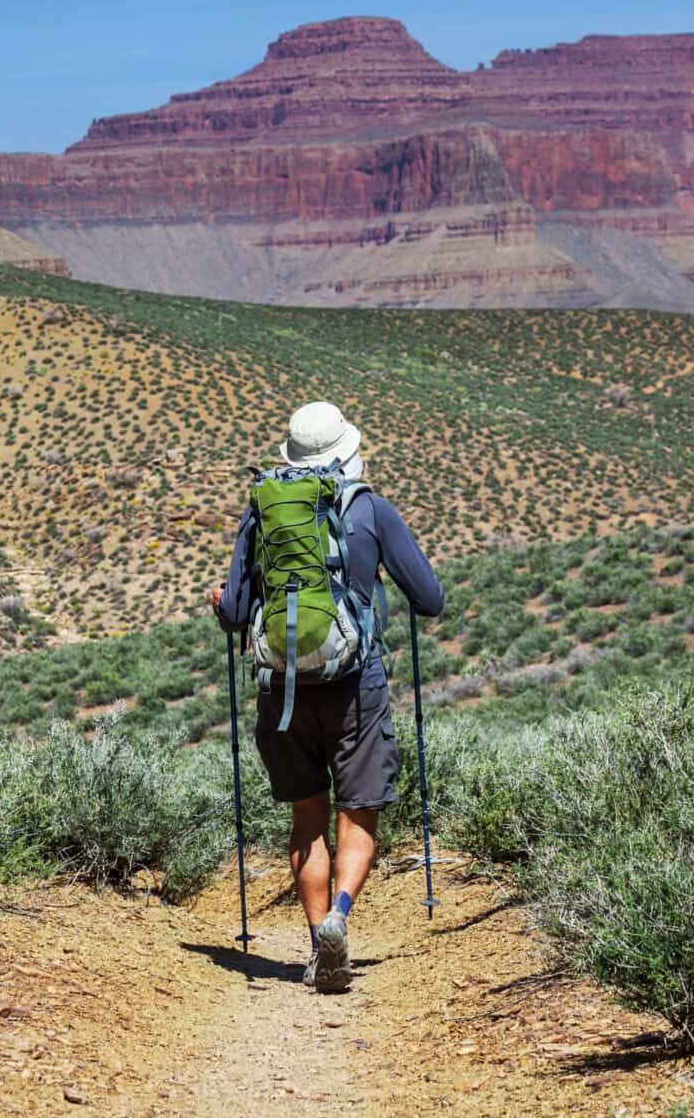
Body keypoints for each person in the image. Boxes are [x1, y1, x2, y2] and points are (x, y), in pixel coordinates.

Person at [212, 401, 444, 993]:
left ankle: (320, 947)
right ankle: (341, 914)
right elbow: (430, 599)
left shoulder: (261, 514)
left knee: (307, 817)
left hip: (283, 690)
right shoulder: (369, 508)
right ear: (346, 451)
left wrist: (222, 605)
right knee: (356, 813)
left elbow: (238, 612)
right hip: (355, 687)